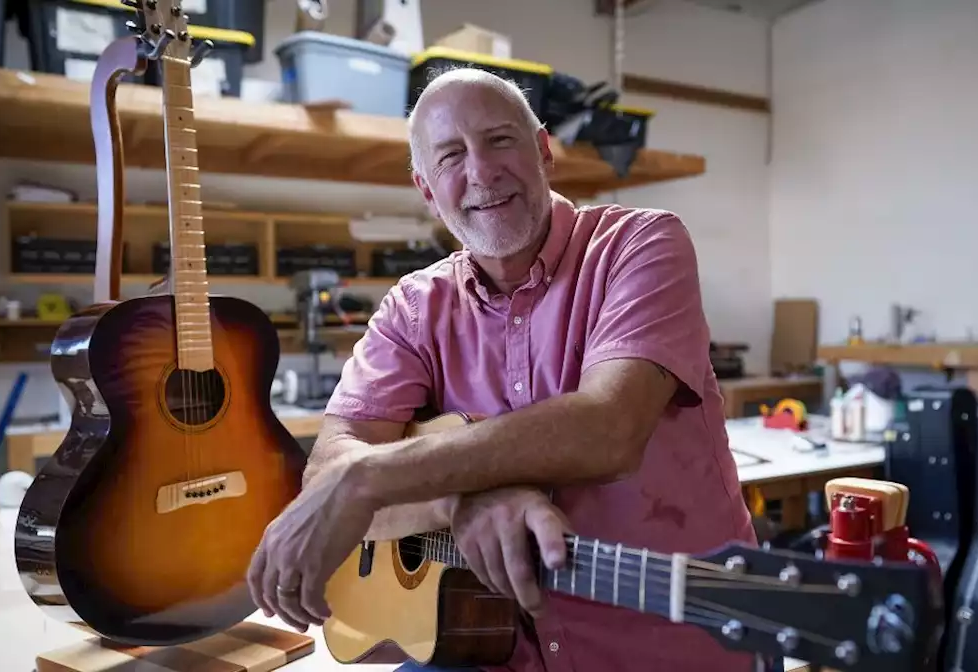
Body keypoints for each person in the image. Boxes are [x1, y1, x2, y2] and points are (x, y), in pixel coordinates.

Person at [245, 67, 759, 672]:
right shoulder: (413, 308)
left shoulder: (640, 246)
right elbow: (329, 471)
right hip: (486, 644)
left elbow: (608, 428)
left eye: (499, 140)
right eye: (451, 156)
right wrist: (462, 503)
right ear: (427, 190)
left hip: (670, 640)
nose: (481, 171)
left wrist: (368, 480)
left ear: (543, 151)